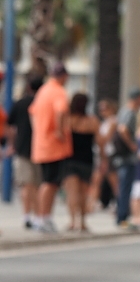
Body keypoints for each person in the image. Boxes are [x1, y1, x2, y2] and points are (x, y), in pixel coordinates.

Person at [28, 61, 73, 233]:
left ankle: (42, 217)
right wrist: (60, 131)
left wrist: (39, 132)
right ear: (64, 76)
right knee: (50, 183)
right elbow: (61, 111)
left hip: (41, 144)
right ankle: (43, 217)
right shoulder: (58, 92)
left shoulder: (43, 91)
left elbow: (32, 112)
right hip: (54, 147)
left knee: (47, 182)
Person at [6, 75, 44, 229]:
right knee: (37, 185)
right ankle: (37, 216)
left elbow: (10, 127)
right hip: (41, 148)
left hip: (22, 148)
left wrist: (12, 144)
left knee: (25, 185)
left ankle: (26, 215)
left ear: (29, 87)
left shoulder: (20, 103)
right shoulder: (42, 104)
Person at [63, 93, 100, 232]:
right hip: (87, 160)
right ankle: (83, 222)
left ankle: (72, 222)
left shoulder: (68, 120)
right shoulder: (92, 121)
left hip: (70, 159)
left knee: (71, 193)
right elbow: (100, 142)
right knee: (83, 193)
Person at [112, 89, 140, 228]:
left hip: (123, 156)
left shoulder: (124, 111)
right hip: (127, 157)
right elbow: (123, 129)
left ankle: (122, 215)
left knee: (124, 187)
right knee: (125, 187)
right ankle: (122, 217)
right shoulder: (129, 112)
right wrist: (131, 144)